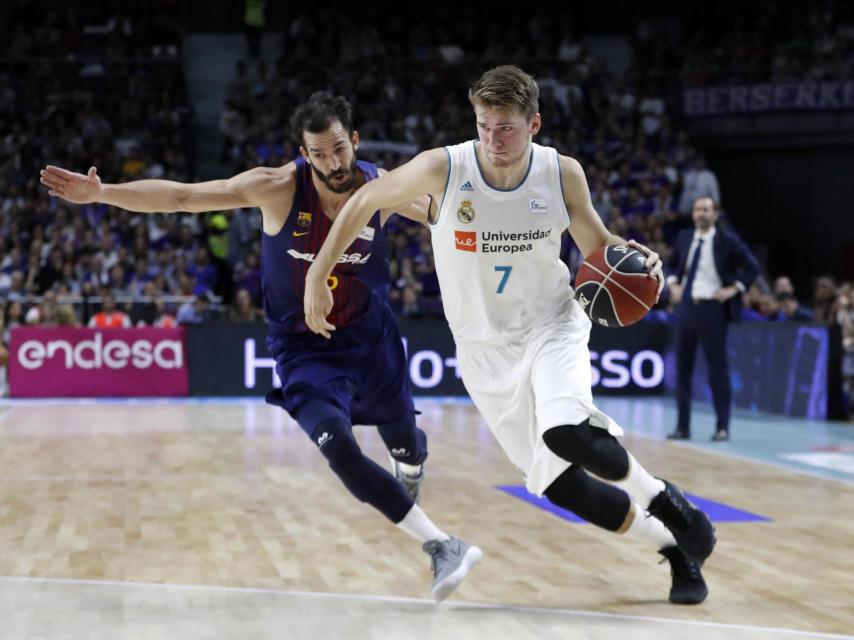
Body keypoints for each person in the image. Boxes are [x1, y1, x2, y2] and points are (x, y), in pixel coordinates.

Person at [39, 92, 481, 602]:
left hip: (370, 337)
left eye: (340, 148)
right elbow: (184, 197)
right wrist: (103, 194)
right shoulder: (277, 189)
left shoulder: (381, 189)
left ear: (354, 141)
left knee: (405, 441)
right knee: (338, 449)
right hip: (302, 349)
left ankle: (410, 461)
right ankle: (441, 546)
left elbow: (449, 218)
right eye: (320, 154)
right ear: (304, 153)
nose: (334, 163)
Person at [305, 65, 715, 605]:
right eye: (484, 126)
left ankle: (663, 499)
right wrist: (318, 272)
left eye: (506, 128)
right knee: (560, 486)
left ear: (534, 124)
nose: (493, 140)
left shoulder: (560, 173)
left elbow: (596, 244)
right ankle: (673, 547)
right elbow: (363, 200)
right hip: (483, 351)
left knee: (566, 430)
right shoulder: (444, 168)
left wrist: (633, 258)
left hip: (551, 323)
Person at [666, 197, 760, 442]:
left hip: (713, 309)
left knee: (717, 370)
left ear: (715, 214)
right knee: (682, 370)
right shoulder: (685, 237)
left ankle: (722, 427)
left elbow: (753, 268)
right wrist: (673, 283)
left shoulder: (727, 241)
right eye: (697, 209)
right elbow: (672, 265)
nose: (701, 214)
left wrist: (734, 288)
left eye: (706, 210)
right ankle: (682, 426)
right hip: (686, 307)